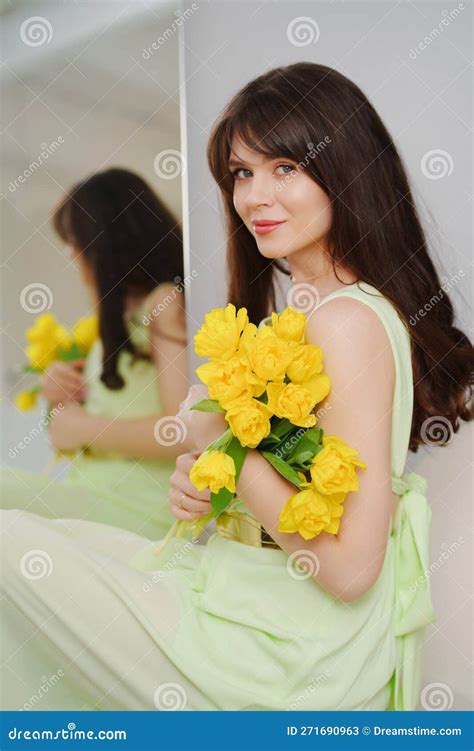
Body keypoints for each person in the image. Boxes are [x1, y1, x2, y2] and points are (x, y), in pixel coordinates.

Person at [1, 63, 472, 711]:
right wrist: (210, 479)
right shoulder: (308, 311)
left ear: (349, 168)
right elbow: (289, 485)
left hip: (284, 651)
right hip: (241, 598)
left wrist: (224, 441)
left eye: (285, 167)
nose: (254, 196)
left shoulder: (348, 322)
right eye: (241, 173)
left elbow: (350, 569)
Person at [2, 167, 189, 540]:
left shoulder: (165, 302)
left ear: (107, 244)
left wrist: (81, 427)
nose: (72, 255)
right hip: (91, 493)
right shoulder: (120, 322)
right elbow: (69, 432)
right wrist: (61, 396)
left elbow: (182, 431)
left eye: (76, 242)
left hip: (133, 509)